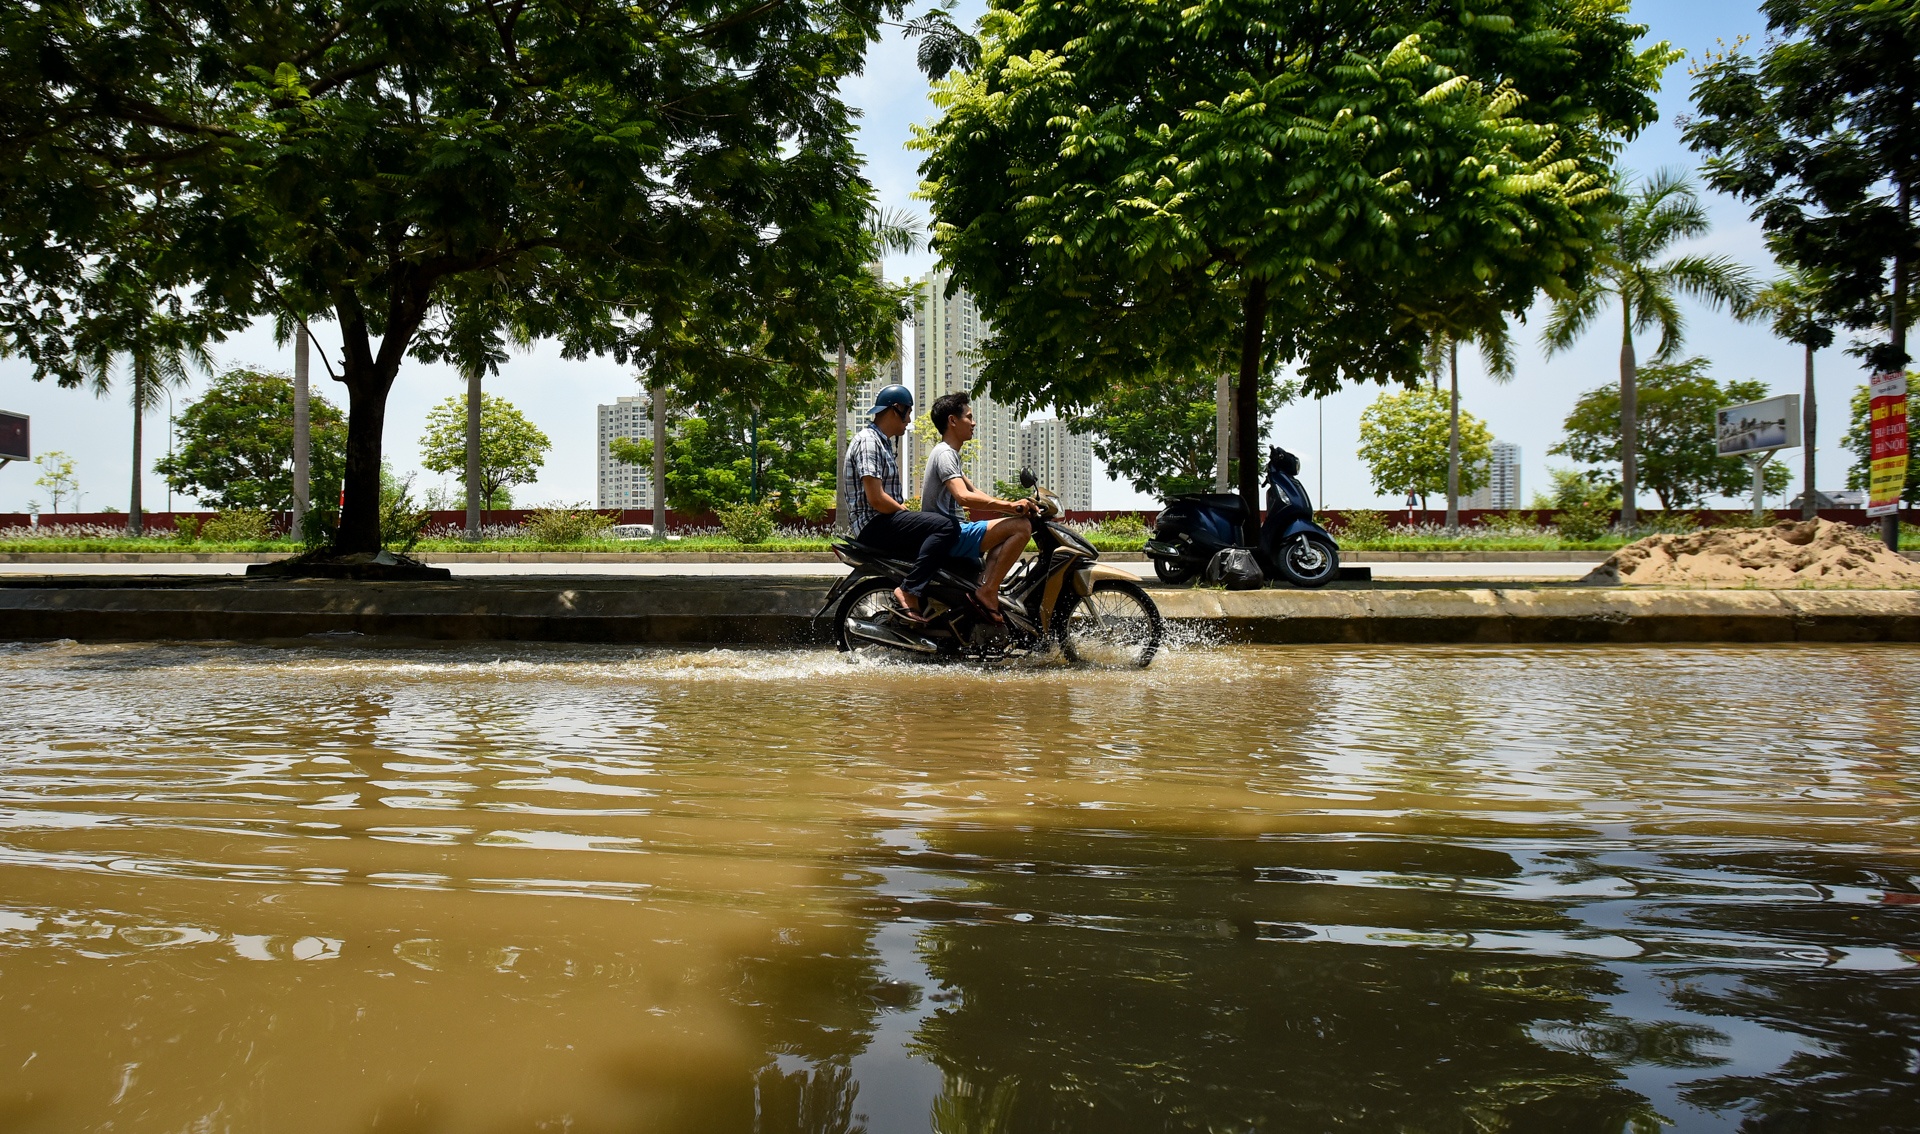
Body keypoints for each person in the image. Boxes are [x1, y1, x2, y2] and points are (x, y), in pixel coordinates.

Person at [843, 384, 956, 620]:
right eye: (909, 412)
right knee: (946, 526)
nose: (910, 419)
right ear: (897, 409)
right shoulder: (869, 442)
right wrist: (903, 510)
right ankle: (908, 591)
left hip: (884, 520)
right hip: (875, 524)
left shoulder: (882, 442)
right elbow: (876, 499)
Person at [922, 391, 1037, 620]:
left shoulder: (949, 454)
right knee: (1021, 528)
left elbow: (975, 492)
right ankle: (988, 591)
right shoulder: (945, 453)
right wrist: (1011, 506)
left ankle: (983, 590)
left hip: (951, 530)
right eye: (969, 417)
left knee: (1006, 530)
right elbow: (964, 497)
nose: (973, 423)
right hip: (949, 533)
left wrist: (1013, 506)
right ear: (952, 421)